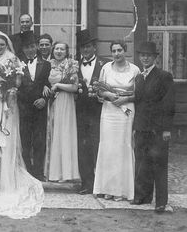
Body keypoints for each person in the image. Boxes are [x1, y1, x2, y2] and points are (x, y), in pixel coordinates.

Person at [0, 31, 44, 219]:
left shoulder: (13, 59)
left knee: (7, 137)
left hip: (8, 102)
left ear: (6, 45)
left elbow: (18, 81)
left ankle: (7, 178)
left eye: (2, 44)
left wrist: (8, 88)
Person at [93, 40, 140, 201]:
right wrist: (109, 95)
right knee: (108, 147)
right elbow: (99, 89)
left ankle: (122, 190)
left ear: (125, 50)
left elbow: (139, 94)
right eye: (113, 51)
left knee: (122, 146)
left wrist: (124, 100)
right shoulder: (106, 68)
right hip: (109, 109)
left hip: (126, 111)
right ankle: (107, 188)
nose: (117, 53)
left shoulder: (135, 70)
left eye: (120, 50)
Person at [131, 41, 175, 213]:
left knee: (159, 163)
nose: (145, 58)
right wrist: (136, 126)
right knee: (142, 163)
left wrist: (166, 129)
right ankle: (143, 196)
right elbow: (138, 103)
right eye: (142, 55)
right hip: (142, 127)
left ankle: (161, 201)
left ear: (155, 57)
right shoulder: (139, 77)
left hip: (158, 128)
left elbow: (169, 104)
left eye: (148, 55)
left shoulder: (164, 76)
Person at [75, 29, 110, 195]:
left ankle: (100, 183)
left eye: (88, 47)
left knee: (98, 146)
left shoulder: (106, 64)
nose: (86, 50)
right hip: (80, 112)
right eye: (83, 47)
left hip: (99, 111)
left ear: (94, 47)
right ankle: (86, 183)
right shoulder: (74, 65)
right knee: (83, 147)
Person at [44, 42, 80, 182]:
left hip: (65, 100)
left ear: (66, 51)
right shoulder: (49, 64)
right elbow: (44, 80)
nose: (59, 51)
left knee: (64, 133)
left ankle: (65, 173)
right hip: (53, 102)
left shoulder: (71, 65)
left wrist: (58, 85)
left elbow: (75, 87)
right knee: (53, 133)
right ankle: (53, 172)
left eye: (62, 49)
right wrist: (44, 86)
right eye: (56, 49)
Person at [17, 31, 50, 181]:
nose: (30, 50)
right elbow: (14, 87)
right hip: (23, 108)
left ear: (36, 46)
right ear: (23, 49)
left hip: (39, 108)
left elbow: (50, 86)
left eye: (32, 46)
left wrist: (45, 99)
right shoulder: (17, 64)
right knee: (25, 140)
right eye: (26, 47)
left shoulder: (46, 64)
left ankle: (38, 171)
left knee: (39, 140)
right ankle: (27, 171)